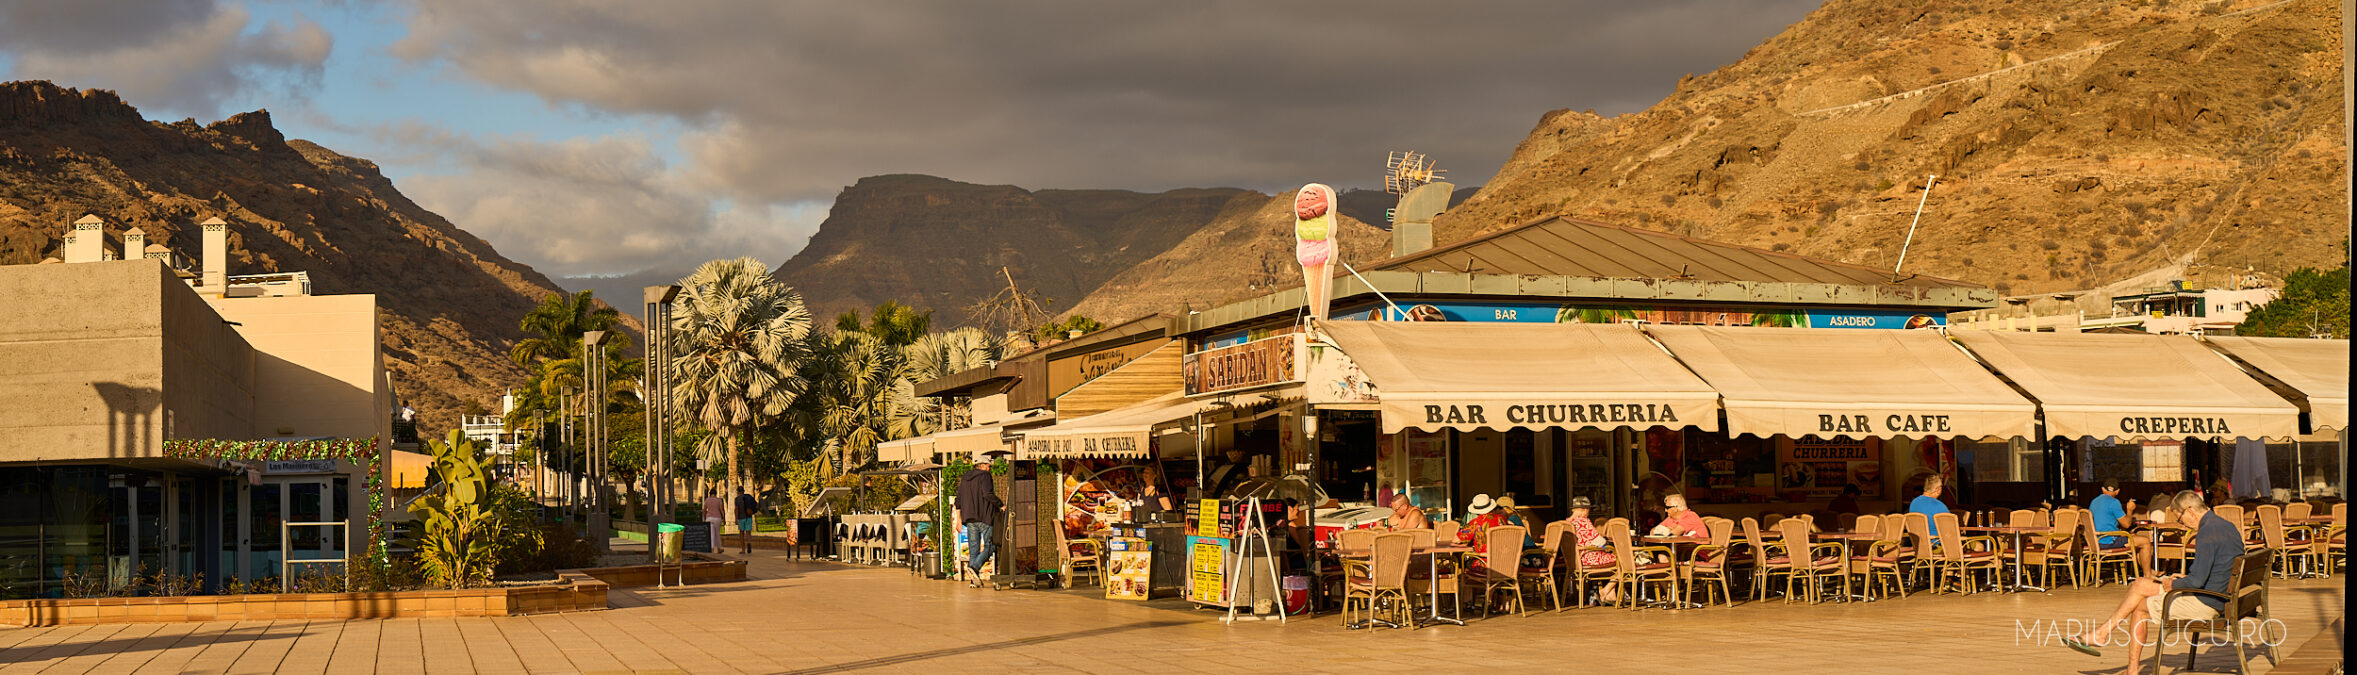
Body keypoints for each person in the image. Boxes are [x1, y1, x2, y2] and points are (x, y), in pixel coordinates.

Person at [2064, 491, 2241, 673]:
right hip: (2220, 596)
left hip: (2208, 602)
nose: (2183, 524)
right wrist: (2181, 580)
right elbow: (2208, 573)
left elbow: (2196, 581)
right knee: (2140, 583)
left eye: (2180, 519)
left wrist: (2173, 584)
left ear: (2189, 510)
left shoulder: (2207, 533)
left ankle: (2125, 663)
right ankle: (2102, 634)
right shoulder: (2225, 526)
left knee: (2140, 607)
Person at [955, 454, 1005, 587]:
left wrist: (958, 520)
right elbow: (987, 494)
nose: (990, 469)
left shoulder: (965, 478)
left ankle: (973, 581)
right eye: (988, 466)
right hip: (984, 517)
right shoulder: (985, 476)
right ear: (982, 466)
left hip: (969, 519)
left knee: (974, 550)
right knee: (991, 546)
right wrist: (1000, 504)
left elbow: (958, 501)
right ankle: (975, 568)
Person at [1561, 497, 1619, 602]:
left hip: (1574, 560)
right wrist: (1606, 545)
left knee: (1613, 558)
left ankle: (1611, 595)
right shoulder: (1584, 522)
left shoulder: (1566, 523)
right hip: (1588, 558)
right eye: (1588, 509)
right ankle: (1606, 590)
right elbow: (1599, 542)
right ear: (1584, 510)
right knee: (1623, 561)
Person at [2088, 479, 2150, 575]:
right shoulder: (2114, 502)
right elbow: (2126, 524)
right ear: (2117, 491)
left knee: (2134, 537)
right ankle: (2148, 575)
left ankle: (2149, 570)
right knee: (2145, 541)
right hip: (2108, 541)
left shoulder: (2094, 502)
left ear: (2102, 489)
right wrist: (2130, 510)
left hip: (2095, 542)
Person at [734, 488, 760, 554]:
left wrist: (736, 519)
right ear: (743, 491)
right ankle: (749, 542)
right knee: (748, 532)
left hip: (741, 518)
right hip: (749, 516)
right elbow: (756, 504)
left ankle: (743, 549)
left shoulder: (737, 499)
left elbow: (736, 509)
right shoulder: (749, 497)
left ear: (738, 492)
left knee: (741, 533)